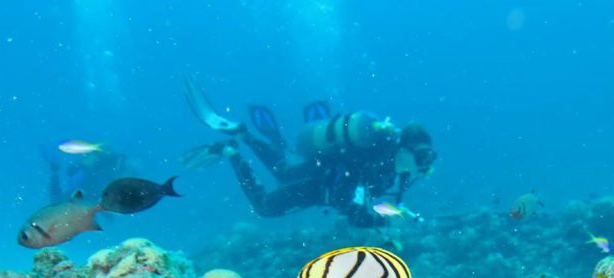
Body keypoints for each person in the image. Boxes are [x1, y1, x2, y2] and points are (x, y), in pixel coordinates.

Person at [181, 78, 436, 227]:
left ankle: (248, 135)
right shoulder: (374, 160)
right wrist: (373, 219)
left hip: (321, 175)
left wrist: (395, 215)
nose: (424, 167)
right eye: (422, 157)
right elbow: (355, 200)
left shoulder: (394, 169)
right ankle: (231, 151)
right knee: (265, 207)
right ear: (404, 148)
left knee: (282, 170)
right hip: (319, 182)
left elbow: (372, 199)